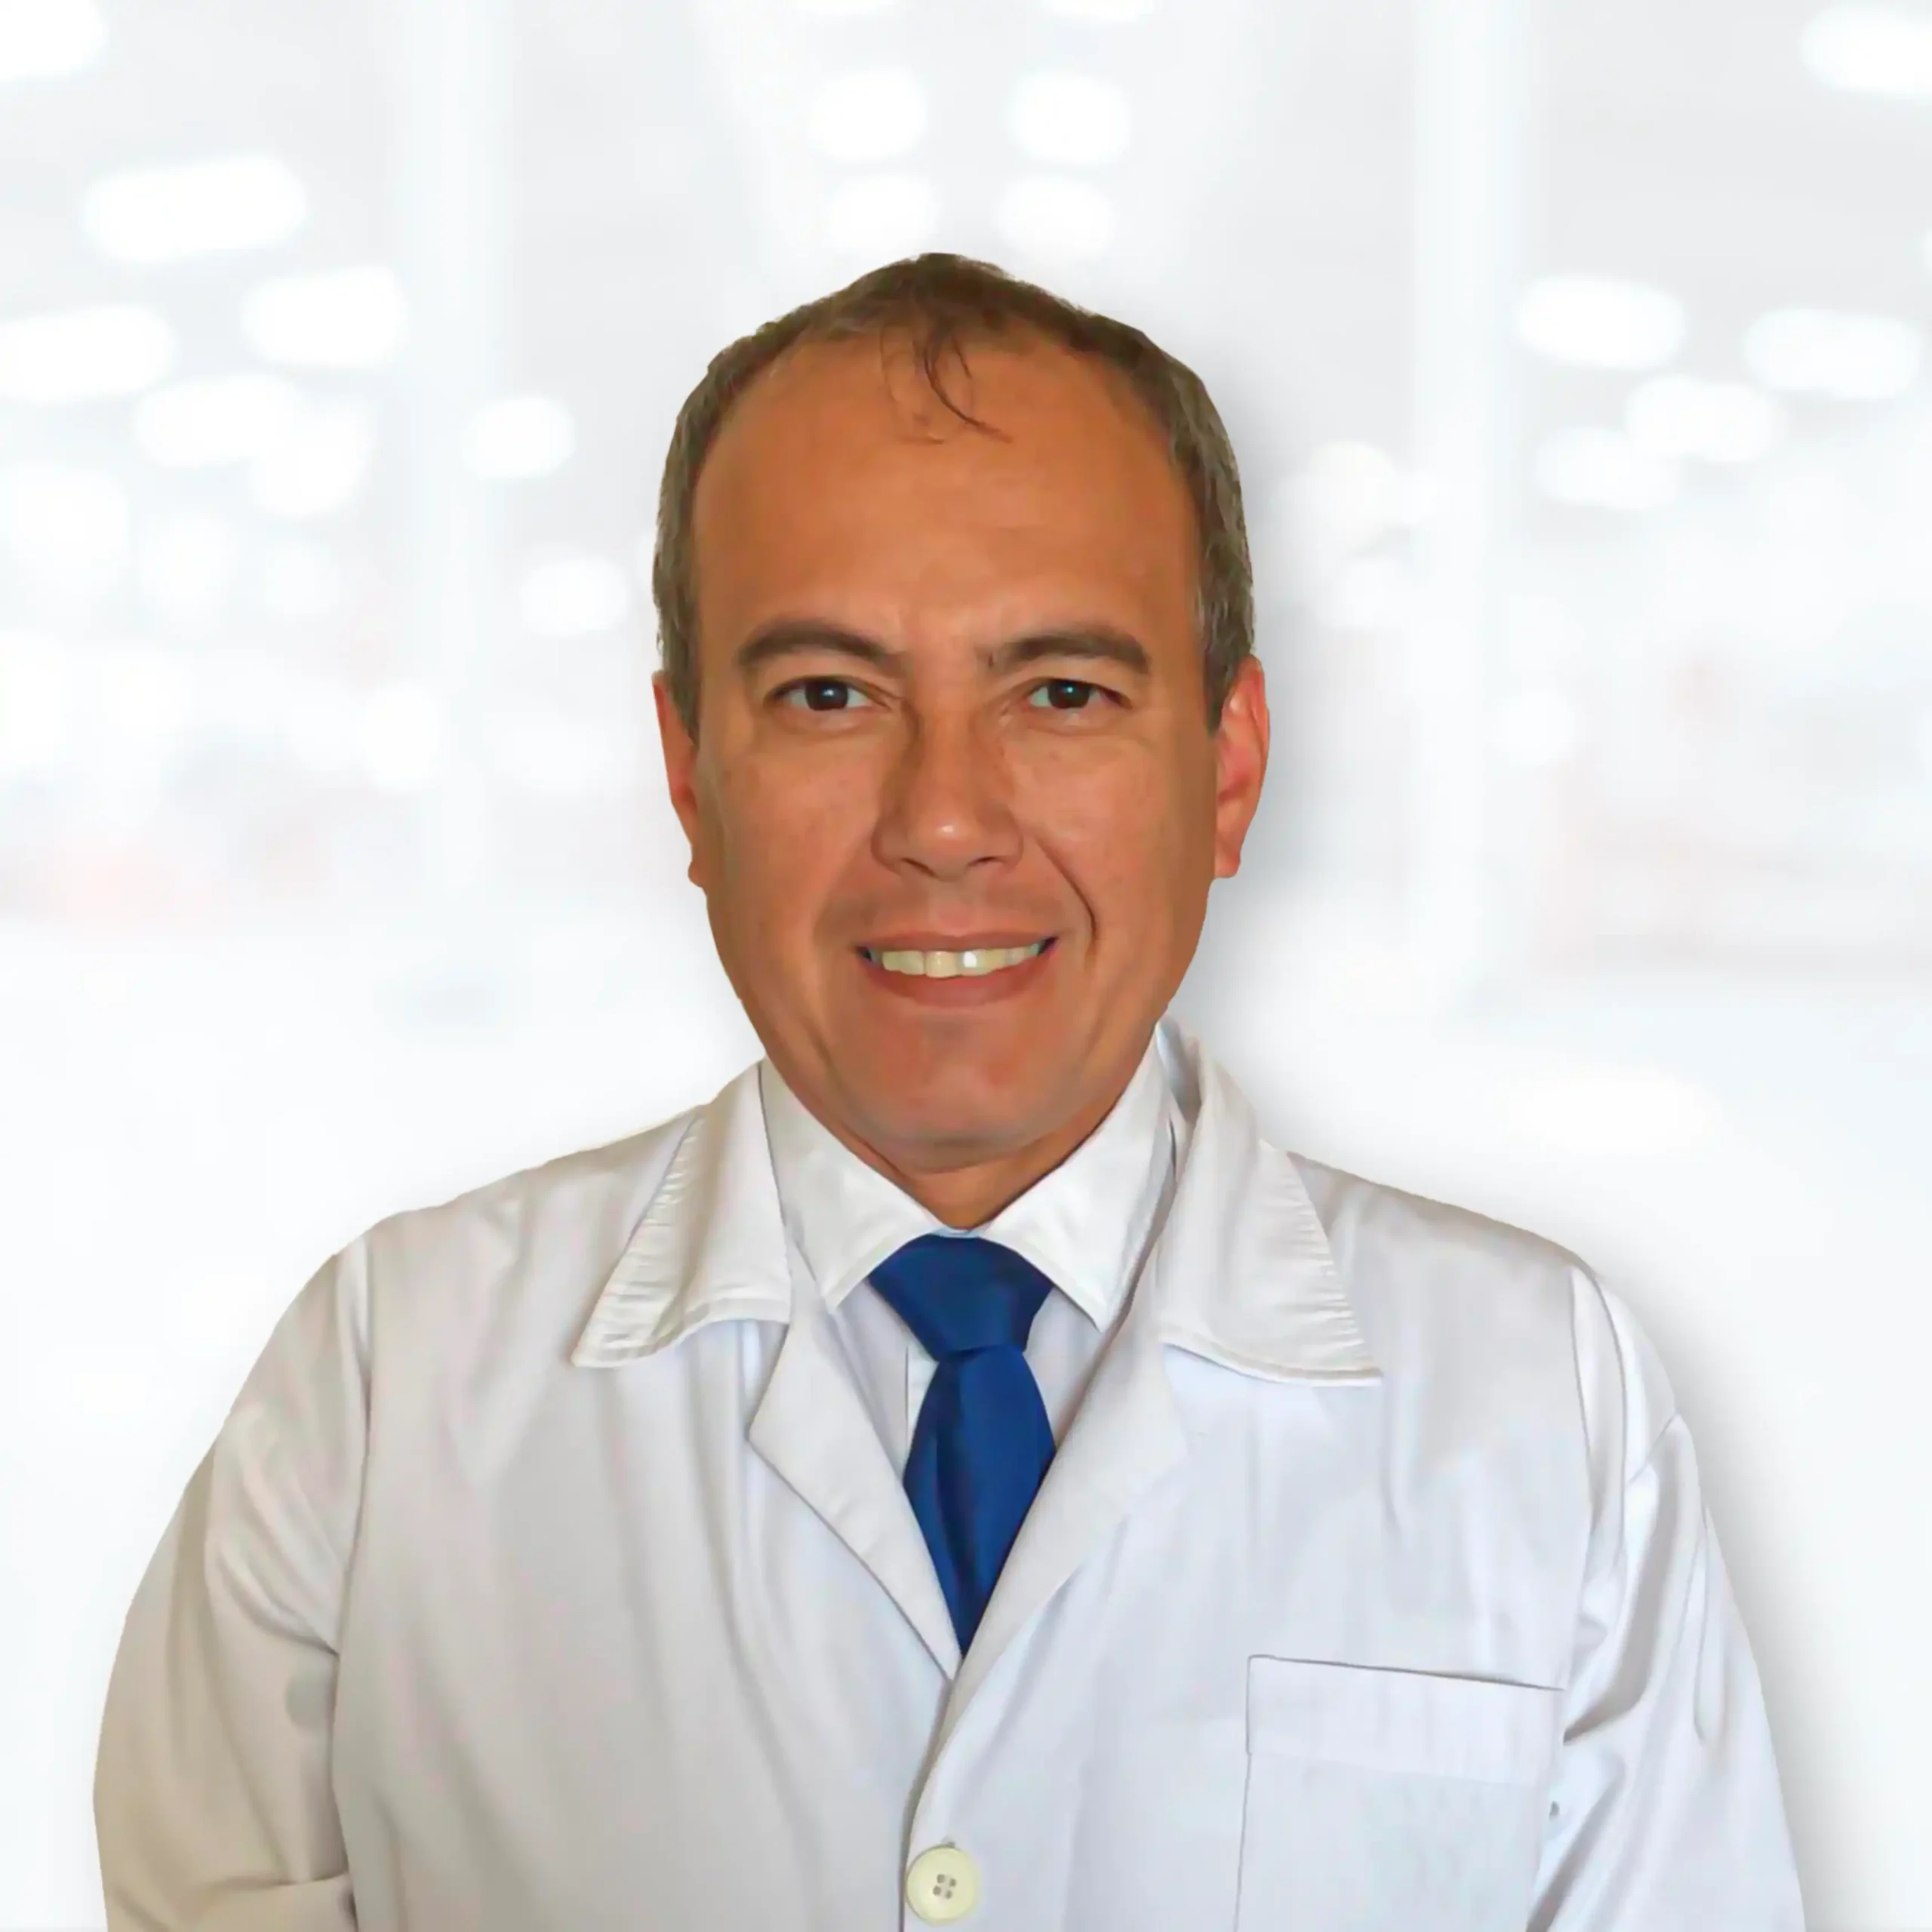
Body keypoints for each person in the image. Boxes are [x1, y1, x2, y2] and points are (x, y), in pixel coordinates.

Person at [94, 254, 1804, 1930]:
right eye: (829, 695)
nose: (943, 819)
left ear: (1226, 769)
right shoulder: (391, 1384)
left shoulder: (1536, 1396)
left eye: (1060, 693)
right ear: (689, 772)